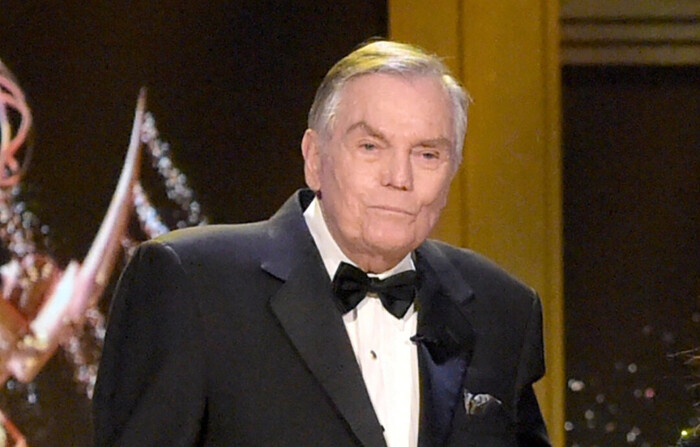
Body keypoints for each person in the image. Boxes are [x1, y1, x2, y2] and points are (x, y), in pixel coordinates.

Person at [92, 40, 551, 447]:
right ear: (315, 159)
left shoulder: (502, 309)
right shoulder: (191, 282)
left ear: (451, 173)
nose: (399, 178)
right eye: (371, 146)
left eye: (427, 154)